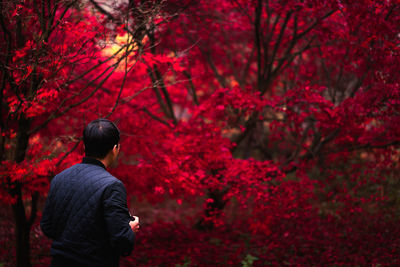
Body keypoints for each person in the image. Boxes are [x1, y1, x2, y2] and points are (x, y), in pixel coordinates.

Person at [41, 118, 139, 267]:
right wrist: (129, 230)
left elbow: (47, 227)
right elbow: (122, 244)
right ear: (115, 148)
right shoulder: (112, 186)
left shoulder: (59, 179)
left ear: (84, 146)